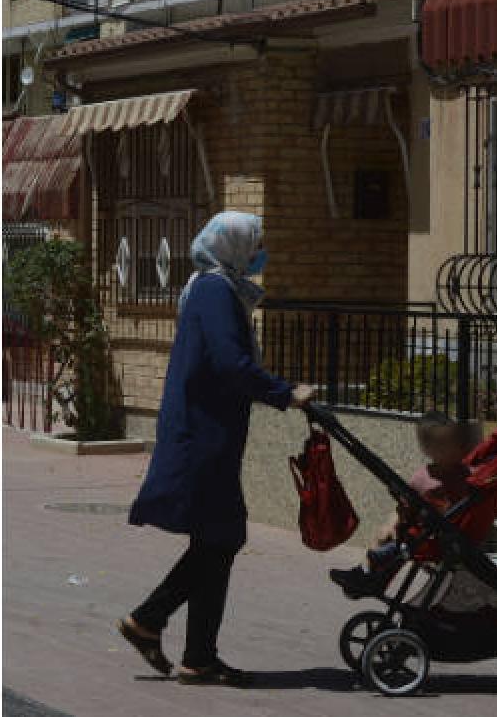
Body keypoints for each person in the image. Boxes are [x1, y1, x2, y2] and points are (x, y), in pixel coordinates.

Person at [118, 212, 316, 687]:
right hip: (202, 436)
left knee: (217, 537)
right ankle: (153, 620)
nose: (260, 252)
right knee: (222, 536)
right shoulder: (214, 291)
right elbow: (230, 363)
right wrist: (284, 392)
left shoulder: (213, 288)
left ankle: (196, 654)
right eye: (256, 244)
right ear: (235, 247)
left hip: (209, 432)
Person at [329, 411, 473, 597]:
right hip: (421, 533)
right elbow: (403, 506)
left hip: (431, 539)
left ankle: (368, 576)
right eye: (445, 445)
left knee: (392, 547)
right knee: (384, 537)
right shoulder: (423, 478)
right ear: (428, 449)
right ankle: (367, 573)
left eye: (455, 443)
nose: (454, 449)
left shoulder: (465, 475)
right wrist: (390, 524)